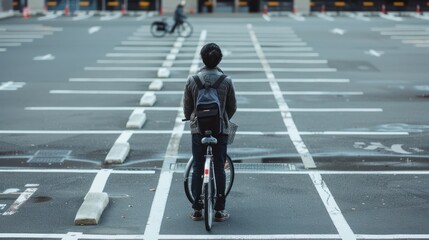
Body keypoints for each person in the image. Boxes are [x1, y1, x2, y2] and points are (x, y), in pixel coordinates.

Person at [183, 43, 237, 222]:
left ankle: (197, 210)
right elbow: (232, 107)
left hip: (198, 130)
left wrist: (190, 119)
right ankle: (220, 210)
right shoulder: (226, 81)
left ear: (202, 58)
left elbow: (187, 107)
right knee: (219, 167)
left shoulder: (193, 80)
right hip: (219, 130)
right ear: (219, 59)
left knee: (198, 167)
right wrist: (223, 118)